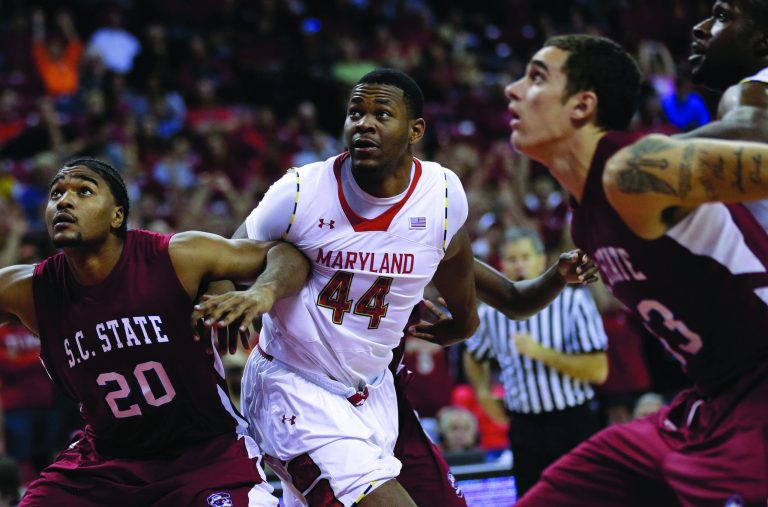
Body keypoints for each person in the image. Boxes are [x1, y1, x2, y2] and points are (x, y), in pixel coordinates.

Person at [504, 34, 768, 505]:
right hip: (708, 401)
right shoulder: (583, 220)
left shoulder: (636, 168)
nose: (513, 89)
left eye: (536, 77)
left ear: (582, 105)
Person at [198, 68, 479, 506]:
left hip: (372, 389)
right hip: (293, 387)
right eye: (355, 113)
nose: (363, 123)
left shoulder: (442, 193)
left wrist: (466, 316)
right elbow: (225, 258)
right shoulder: (300, 191)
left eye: (381, 114)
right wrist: (225, 303)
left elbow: (457, 250)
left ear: (415, 130)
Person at [0, 158, 310, 506]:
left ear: (117, 215)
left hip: (203, 457)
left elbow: (286, 254)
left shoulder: (175, 256)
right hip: (106, 463)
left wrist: (258, 293)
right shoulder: (32, 289)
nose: (64, 201)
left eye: (83, 191)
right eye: (56, 193)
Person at [464, 227, 608, 496]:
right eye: (511, 259)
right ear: (500, 265)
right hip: (523, 426)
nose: (519, 265)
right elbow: (473, 355)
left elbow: (598, 370)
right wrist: (483, 394)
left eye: (525, 257)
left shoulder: (574, 302)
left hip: (573, 420)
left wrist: (541, 353)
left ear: (542, 260)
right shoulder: (492, 313)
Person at [685, 0, 768, 228]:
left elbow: (753, 129)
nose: (700, 28)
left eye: (722, 16)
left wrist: (627, 157)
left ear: (763, 41)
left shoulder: (753, 90)